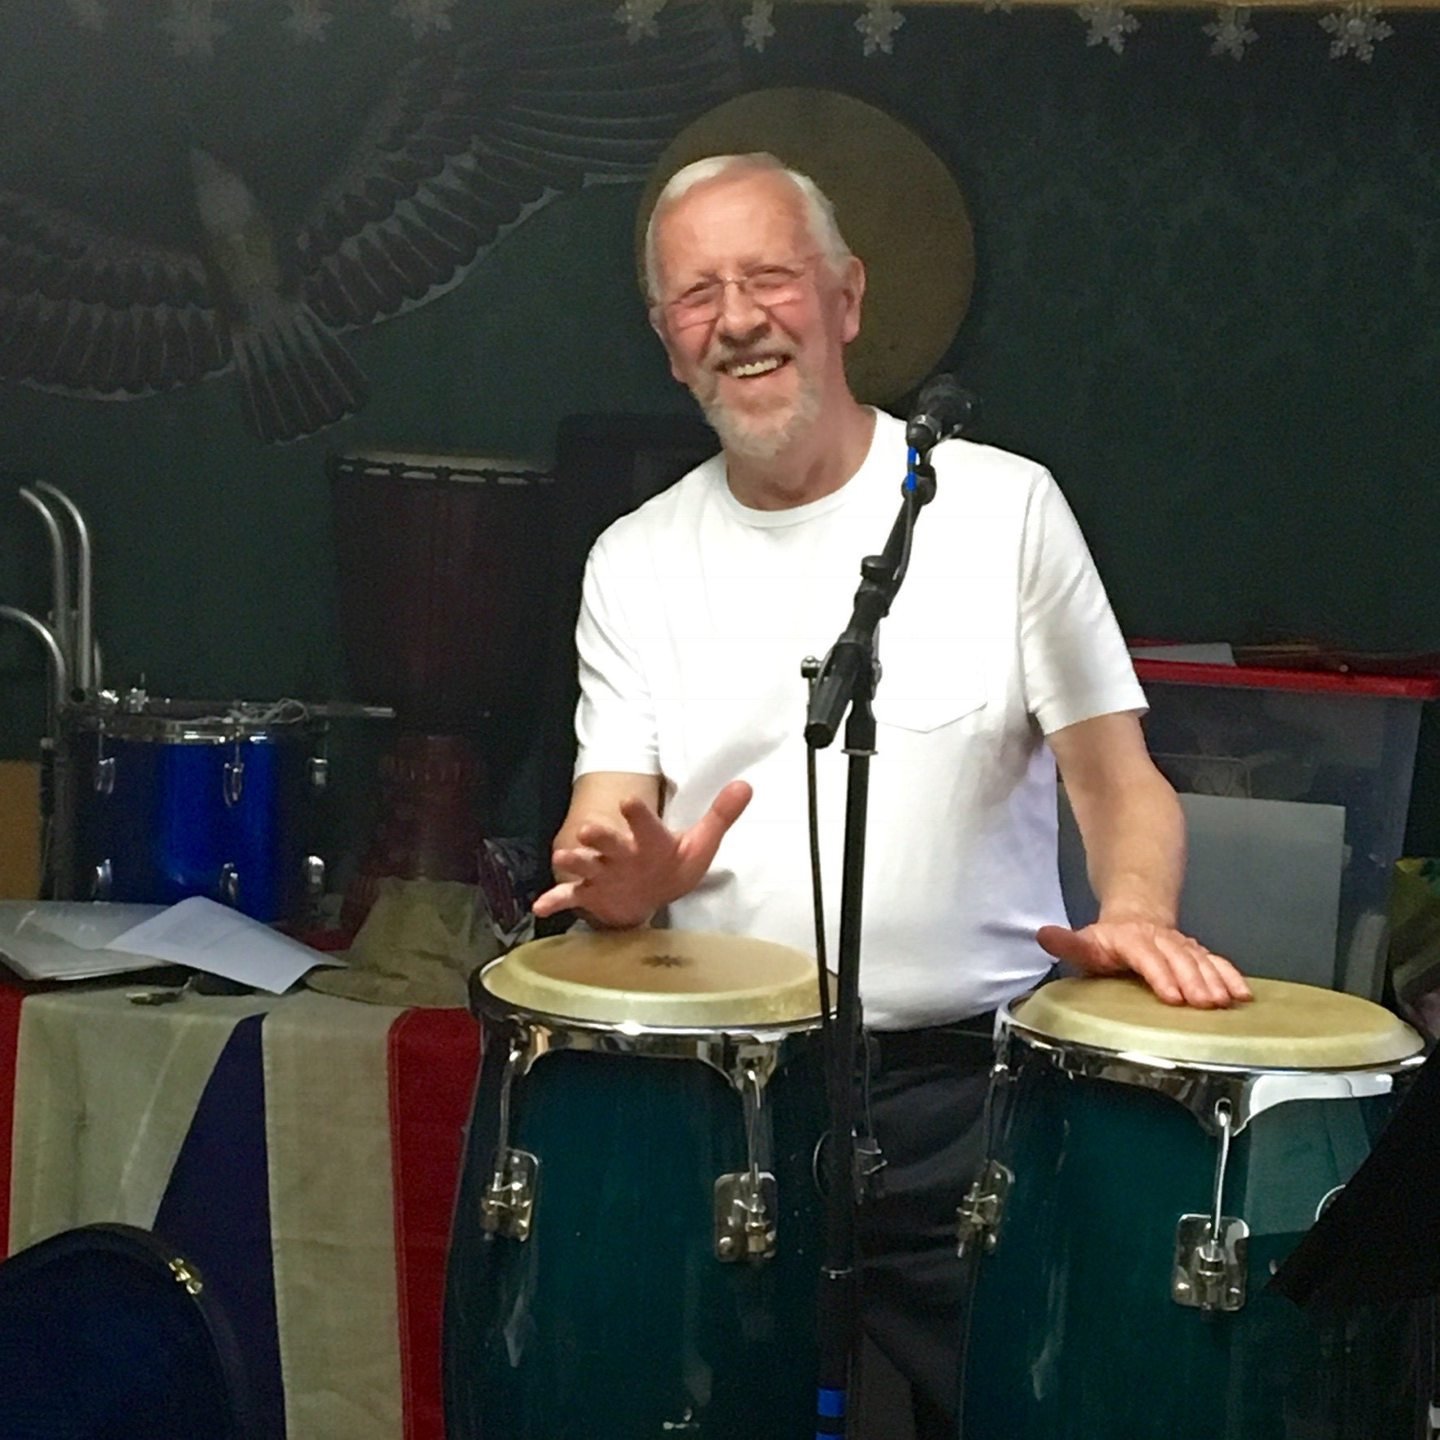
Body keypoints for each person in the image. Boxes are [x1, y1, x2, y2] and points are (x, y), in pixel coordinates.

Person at [532, 151, 1250, 1438]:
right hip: (728, 1114)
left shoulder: (1003, 509)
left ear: (847, 297)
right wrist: (617, 889)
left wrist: (1136, 907)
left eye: (768, 278)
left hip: (973, 1106)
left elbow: (1120, 779)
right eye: (699, 295)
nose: (739, 318)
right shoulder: (633, 559)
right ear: (667, 343)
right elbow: (606, 819)